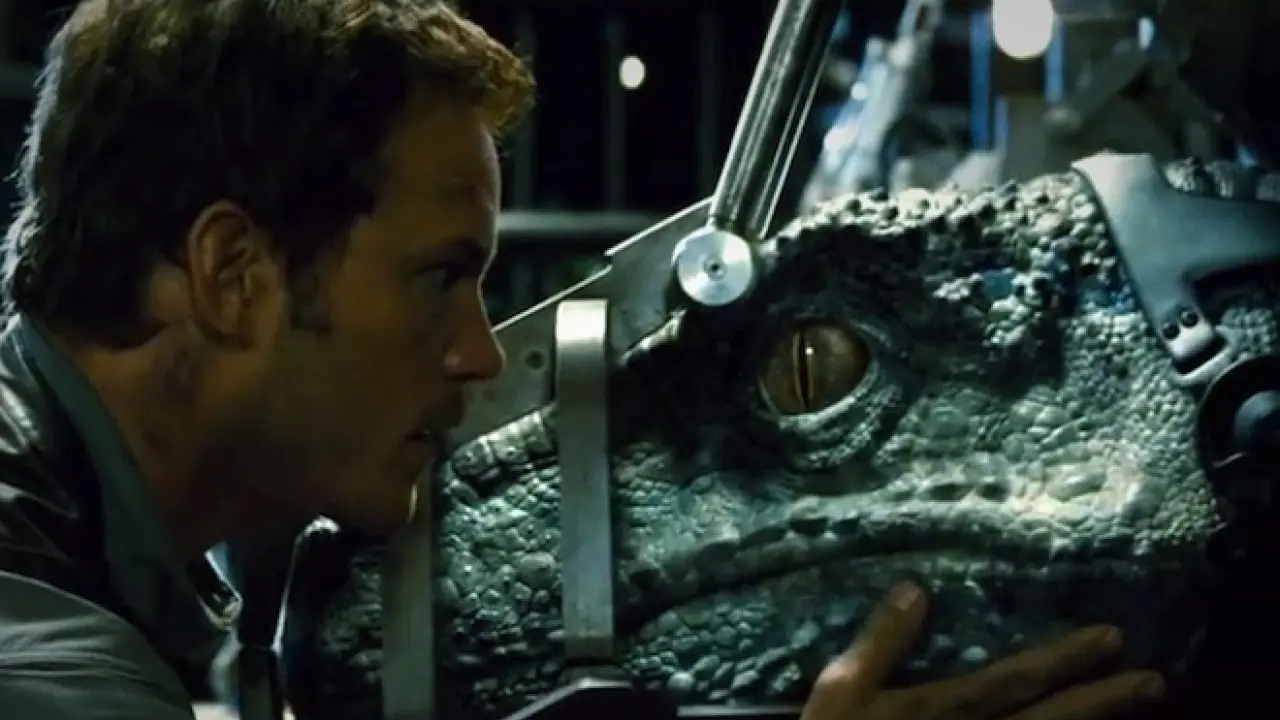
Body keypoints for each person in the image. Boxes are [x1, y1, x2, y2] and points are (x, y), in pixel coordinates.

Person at [0, 0, 1177, 718]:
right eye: (438, 277)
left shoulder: (79, 548)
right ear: (234, 275)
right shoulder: (52, 670)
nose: (475, 355)